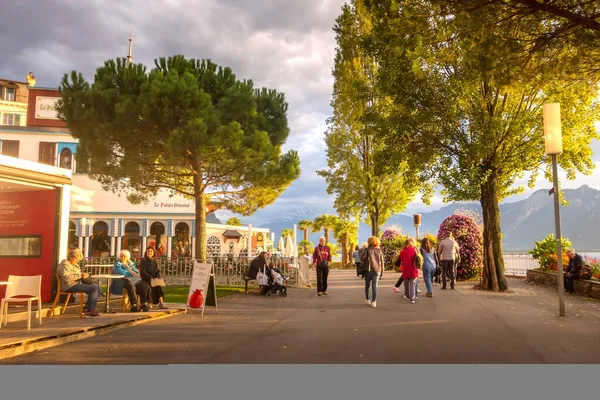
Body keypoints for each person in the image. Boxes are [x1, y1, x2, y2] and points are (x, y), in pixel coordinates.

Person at [57, 248, 102, 317]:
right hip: (69, 286)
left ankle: (87, 308)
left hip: (76, 284)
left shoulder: (74, 265)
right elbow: (66, 278)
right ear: (71, 257)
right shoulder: (64, 265)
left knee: (98, 288)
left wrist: (83, 276)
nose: (77, 261)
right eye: (76, 259)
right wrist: (80, 275)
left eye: (78, 260)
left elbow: (77, 275)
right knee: (94, 288)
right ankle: (90, 310)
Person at [138, 246, 167, 311]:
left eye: (151, 251)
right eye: (148, 251)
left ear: (153, 252)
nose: (150, 253)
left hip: (154, 279)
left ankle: (161, 303)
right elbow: (143, 272)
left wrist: (156, 278)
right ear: (146, 252)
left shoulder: (155, 260)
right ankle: (149, 302)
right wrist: (151, 278)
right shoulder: (143, 260)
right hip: (146, 279)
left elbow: (158, 271)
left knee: (158, 286)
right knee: (149, 285)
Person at [362, 236, 384, 308]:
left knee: (367, 285)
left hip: (368, 270)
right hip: (377, 270)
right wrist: (382, 271)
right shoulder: (379, 250)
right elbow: (381, 261)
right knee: (375, 286)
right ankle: (374, 301)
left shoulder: (366, 249)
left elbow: (362, 258)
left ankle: (367, 298)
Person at [398, 238, 419, 303]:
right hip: (413, 269)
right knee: (412, 284)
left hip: (406, 270)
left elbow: (401, 259)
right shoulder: (414, 251)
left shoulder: (402, 252)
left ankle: (407, 296)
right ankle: (412, 298)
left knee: (406, 283)